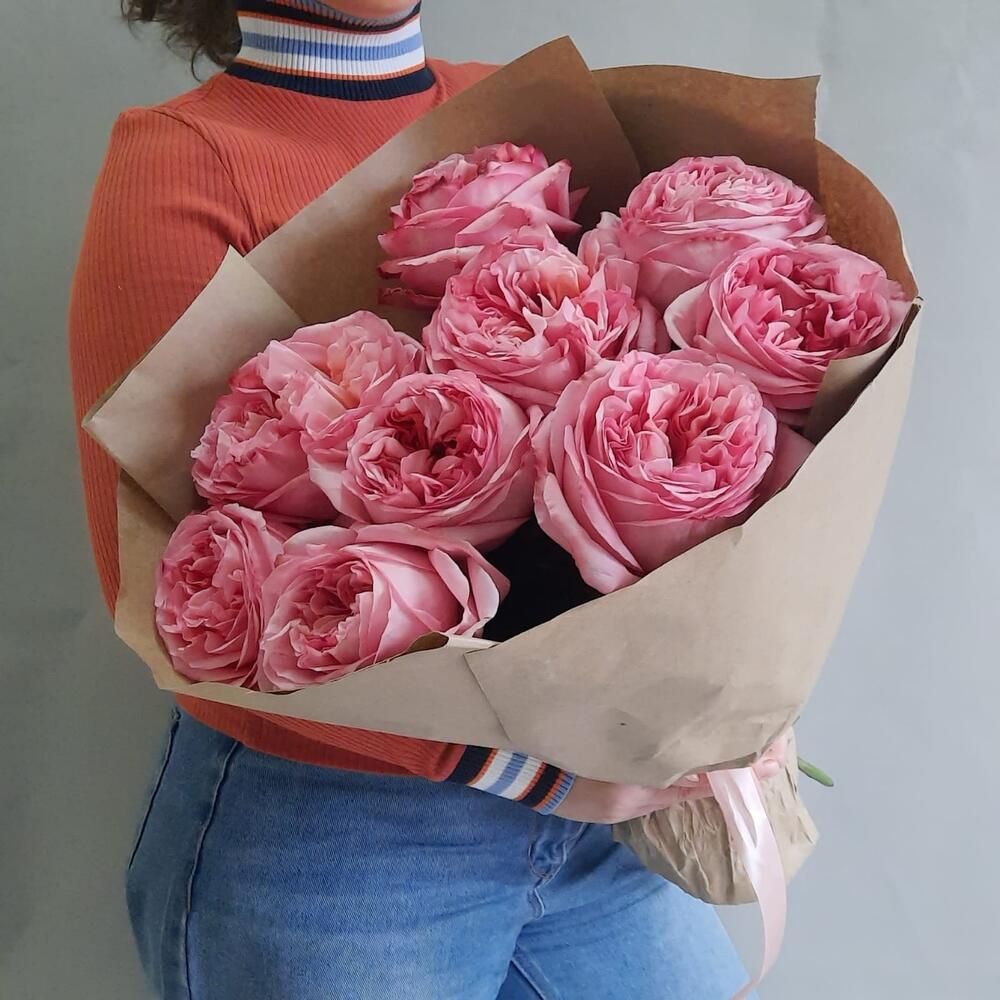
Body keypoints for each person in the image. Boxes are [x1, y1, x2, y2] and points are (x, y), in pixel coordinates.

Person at [69, 3, 774, 997]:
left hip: (600, 821)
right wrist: (533, 774)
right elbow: (168, 604)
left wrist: (717, 685)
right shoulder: (185, 165)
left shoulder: (511, 108)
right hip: (337, 838)